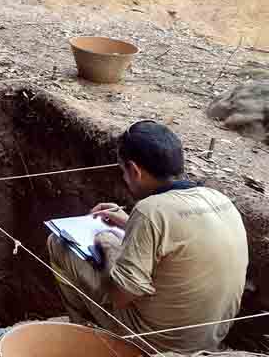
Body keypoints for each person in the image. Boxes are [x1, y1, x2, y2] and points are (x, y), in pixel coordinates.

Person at [47, 120, 249, 353]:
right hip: (209, 336)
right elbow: (179, 241)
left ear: (135, 170)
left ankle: (82, 338)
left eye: (124, 172)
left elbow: (121, 296)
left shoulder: (150, 211)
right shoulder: (218, 198)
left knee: (59, 244)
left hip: (159, 342)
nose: (125, 178)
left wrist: (108, 246)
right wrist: (129, 223)